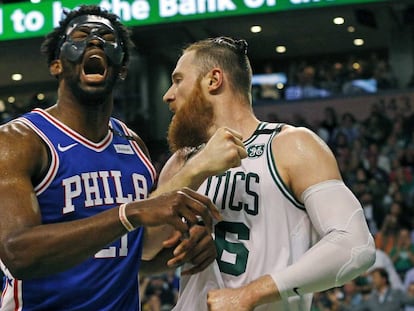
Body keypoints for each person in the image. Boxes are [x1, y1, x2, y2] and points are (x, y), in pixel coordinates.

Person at [0, 7, 247, 311]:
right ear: (56, 65)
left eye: (106, 38)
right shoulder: (19, 140)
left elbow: (132, 255)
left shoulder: (133, 146)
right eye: (80, 37)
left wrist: (185, 249)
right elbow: (17, 253)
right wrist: (128, 214)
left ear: (121, 69)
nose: (95, 43)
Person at [160, 36, 376, 310]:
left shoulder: (290, 145)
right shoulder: (183, 162)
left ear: (213, 80)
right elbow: (143, 251)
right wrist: (196, 168)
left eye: (178, 80)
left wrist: (250, 294)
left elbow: (355, 245)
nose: (168, 94)